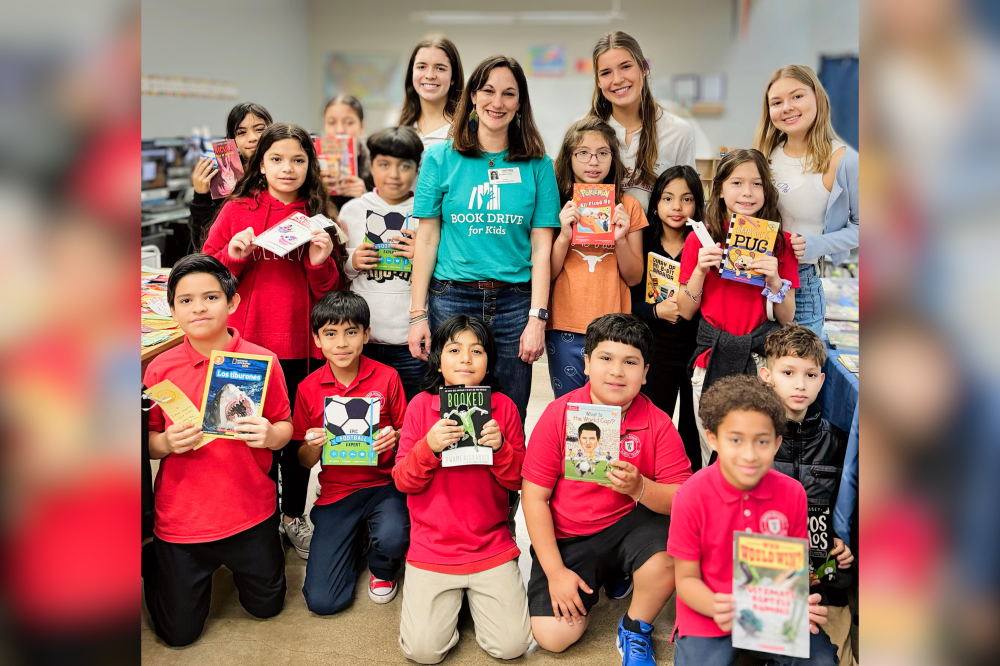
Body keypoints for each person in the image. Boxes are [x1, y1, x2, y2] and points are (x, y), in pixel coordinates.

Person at [203, 123, 345, 559]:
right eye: (277, 159)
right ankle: (254, 520)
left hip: (302, 350)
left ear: (309, 166)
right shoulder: (236, 210)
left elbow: (331, 297)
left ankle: (293, 516)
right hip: (245, 349)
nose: (288, 168)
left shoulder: (320, 217)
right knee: (243, 436)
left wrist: (320, 264)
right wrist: (234, 257)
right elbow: (207, 278)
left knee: (294, 441)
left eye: (298, 160)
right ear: (260, 165)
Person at [521, 314, 692, 664]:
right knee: (553, 637)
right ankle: (607, 575)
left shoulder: (657, 422)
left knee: (678, 546)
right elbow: (534, 496)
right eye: (605, 358)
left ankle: (634, 626)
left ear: (645, 373)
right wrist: (555, 573)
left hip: (629, 526)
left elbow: (683, 498)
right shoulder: (559, 414)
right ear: (586, 364)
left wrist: (640, 487)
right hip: (570, 535)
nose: (617, 371)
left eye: (630, 362)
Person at [142, 254, 292, 647]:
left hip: (250, 512)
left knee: (268, 608)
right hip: (182, 520)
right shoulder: (159, 369)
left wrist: (269, 435)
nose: (198, 308)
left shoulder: (262, 360)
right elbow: (151, 445)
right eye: (185, 300)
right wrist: (166, 443)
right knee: (177, 635)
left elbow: (285, 427)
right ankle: (152, 562)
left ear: (232, 303)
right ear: (171, 309)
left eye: (210, 297)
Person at [407, 54, 561, 423]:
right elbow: (426, 240)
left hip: (514, 303)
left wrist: (537, 318)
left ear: (520, 103)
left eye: (509, 94)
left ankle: (504, 484)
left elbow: (541, 248)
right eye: (488, 90)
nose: (497, 102)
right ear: (473, 95)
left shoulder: (539, 165)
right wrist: (417, 315)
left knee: (507, 416)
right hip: (452, 297)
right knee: (452, 418)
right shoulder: (439, 158)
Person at [667, 374, 839, 666]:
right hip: (710, 613)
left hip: (772, 613)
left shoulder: (792, 493)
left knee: (821, 661)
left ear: (776, 443)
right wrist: (717, 606)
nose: (749, 454)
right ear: (713, 439)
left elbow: (790, 572)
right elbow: (685, 580)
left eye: (762, 441)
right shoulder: (690, 496)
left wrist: (800, 604)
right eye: (735, 440)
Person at [393, 315, 530, 664]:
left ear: (490, 361)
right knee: (422, 651)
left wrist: (502, 449)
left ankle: (468, 598)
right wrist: (428, 447)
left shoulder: (504, 408)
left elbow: (519, 481)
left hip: (490, 543)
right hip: (433, 547)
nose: (466, 359)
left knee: (511, 646)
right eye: (454, 350)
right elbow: (403, 480)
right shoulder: (421, 407)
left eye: (477, 351)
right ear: (438, 361)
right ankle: (455, 603)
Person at [676, 148, 799, 467]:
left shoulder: (780, 244)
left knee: (752, 452)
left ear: (767, 190)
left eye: (757, 184)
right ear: (718, 190)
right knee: (711, 450)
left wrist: (774, 280)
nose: (747, 192)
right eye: (736, 183)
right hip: (710, 359)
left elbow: (787, 316)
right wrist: (700, 271)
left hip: (760, 362)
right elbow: (685, 311)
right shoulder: (699, 241)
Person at [293, 291, 409, 613]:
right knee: (323, 601)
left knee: (394, 536)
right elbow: (303, 460)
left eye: (351, 332)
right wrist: (313, 447)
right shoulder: (307, 388)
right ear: (317, 340)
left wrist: (394, 437)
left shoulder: (388, 378)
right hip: (337, 492)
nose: (341, 343)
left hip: (385, 486)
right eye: (330, 333)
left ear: (366, 335)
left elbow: (408, 436)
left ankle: (382, 567)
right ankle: (356, 535)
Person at [758, 323, 856, 660]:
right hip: (758, 572)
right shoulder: (745, 437)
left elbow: (844, 507)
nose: (800, 384)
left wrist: (842, 544)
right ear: (766, 375)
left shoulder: (839, 442)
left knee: (825, 656)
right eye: (788, 372)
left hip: (819, 578)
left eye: (811, 375)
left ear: (823, 380)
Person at [754, 65, 860, 336]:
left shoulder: (845, 160)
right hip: (752, 278)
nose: (787, 107)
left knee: (796, 375)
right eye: (777, 102)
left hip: (800, 283)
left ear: (818, 99)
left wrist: (817, 244)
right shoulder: (764, 155)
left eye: (797, 96)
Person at [546, 117, 647, 398]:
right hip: (565, 322)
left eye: (603, 153)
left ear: (613, 158)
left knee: (612, 408)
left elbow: (635, 276)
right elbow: (547, 273)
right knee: (569, 406)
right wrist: (564, 235)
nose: (593, 162)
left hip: (614, 326)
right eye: (583, 153)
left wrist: (621, 240)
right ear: (569, 157)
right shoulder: (553, 202)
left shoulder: (628, 206)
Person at [340, 126, 427, 401]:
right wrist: (353, 261)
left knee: (412, 418)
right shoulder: (353, 210)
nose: (394, 174)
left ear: (417, 169)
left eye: (404, 166)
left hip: (410, 342)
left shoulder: (427, 212)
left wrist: (421, 256)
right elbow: (337, 272)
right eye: (384, 164)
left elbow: (444, 274)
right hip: (362, 342)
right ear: (370, 165)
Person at [629, 166, 704, 472]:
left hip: (695, 351)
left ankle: (690, 496)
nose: (677, 207)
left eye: (687, 199)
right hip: (653, 350)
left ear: (697, 204)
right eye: (668, 198)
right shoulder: (643, 239)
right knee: (649, 426)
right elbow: (626, 297)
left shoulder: (704, 242)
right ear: (656, 203)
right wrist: (655, 311)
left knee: (692, 430)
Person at [588, 32, 696, 211]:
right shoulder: (585, 133)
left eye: (625, 67)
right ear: (598, 81)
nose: (617, 79)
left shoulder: (679, 133)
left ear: (644, 68)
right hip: (600, 237)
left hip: (657, 239)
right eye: (606, 72)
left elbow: (688, 201)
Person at [189, 102, 273, 247]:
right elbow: (203, 242)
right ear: (232, 139)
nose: (252, 137)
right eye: (241, 132)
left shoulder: (285, 170)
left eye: (259, 129)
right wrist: (200, 196)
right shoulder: (223, 176)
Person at [398, 36, 465, 150]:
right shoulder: (399, 123)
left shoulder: (466, 130)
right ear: (412, 73)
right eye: (422, 67)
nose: (429, 75)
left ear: (453, 77)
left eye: (440, 68)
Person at [322, 94, 375, 211]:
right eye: (331, 122)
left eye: (348, 122)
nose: (340, 130)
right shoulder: (312, 165)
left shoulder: (376, 165)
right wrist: (315, 191)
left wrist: (365, 198)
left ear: (361, 126)